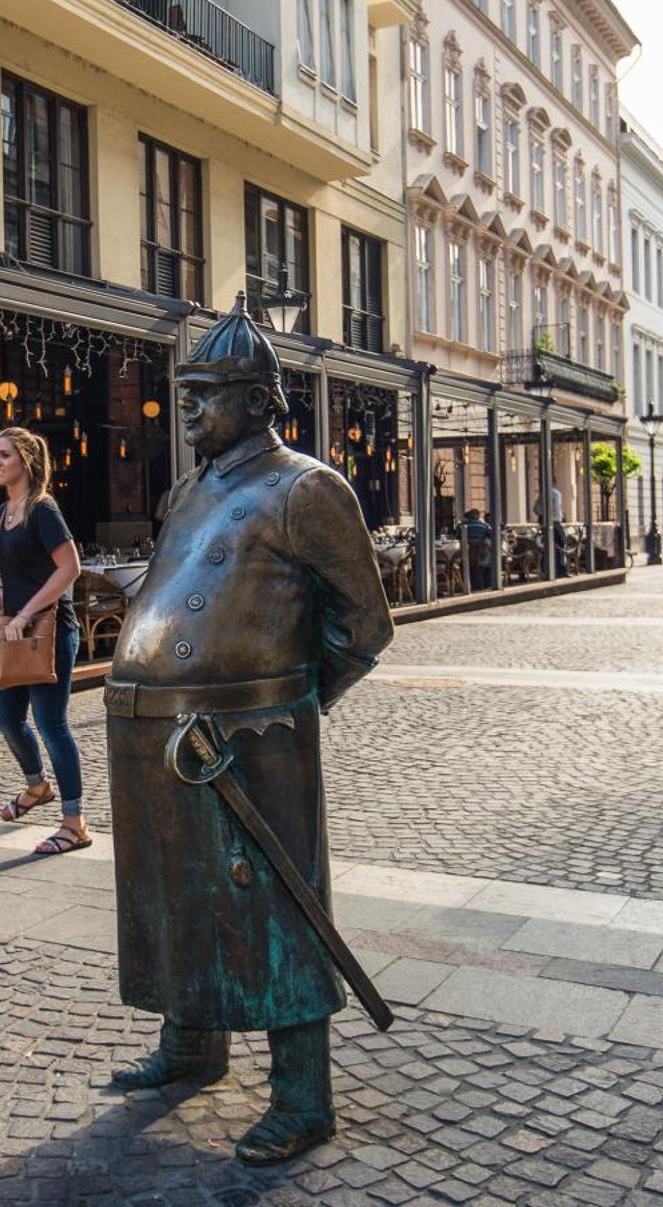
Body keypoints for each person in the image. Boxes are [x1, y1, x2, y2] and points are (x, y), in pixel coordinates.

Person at [105, 303, 394, 1164]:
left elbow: (363, 626)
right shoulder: (191, 490)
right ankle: (191, 1041)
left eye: (207, 393)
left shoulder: (305, 488)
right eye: (185, 392)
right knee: (174, 892)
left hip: (250, 740)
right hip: (157, 736)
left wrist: (290, 709)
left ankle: (303, 1094)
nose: (187, 409)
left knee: (274, 904)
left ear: (259, 399)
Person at [0, 426, 88, 856]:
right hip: (15, 630)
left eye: (4, 456)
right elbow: (22, 566)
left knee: (52, 724)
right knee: (6, 718)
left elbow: (70, 568)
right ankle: (38, 787)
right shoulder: (6, 510)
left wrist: (29, 613)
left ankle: (75, 824)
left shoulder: (43, 508)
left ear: (26, 462)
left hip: (49, 630)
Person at [460, 507, 495, 591]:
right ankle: (487, 583)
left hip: (467, 555)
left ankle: (468, 583)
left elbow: (457, 537)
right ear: (478, 516)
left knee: (463, 564)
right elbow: (490, 538)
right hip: (482, 555)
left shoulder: (462, 526)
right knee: (489, 563)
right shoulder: (484, 526)